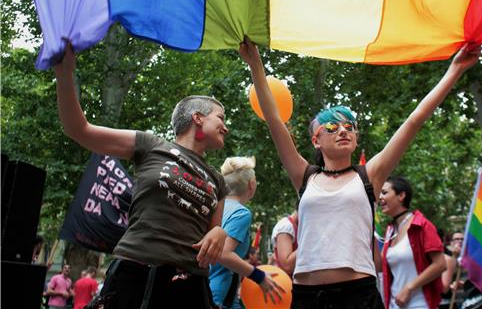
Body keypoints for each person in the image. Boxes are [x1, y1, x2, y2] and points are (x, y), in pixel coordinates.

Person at [240, 40, 480, 309]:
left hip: (358, 296)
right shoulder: (304, 175)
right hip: (307, 297)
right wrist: (255, 64)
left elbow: (415, 119)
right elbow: (274, 119)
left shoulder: (371, 175)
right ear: (316, 141)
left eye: (349, 126)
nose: (342, 130)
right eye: (331, 126)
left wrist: (455, 70)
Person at [54, 44, 229, 309]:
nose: (225, 127)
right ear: (197, 117)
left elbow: (213, 233)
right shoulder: (151, 145)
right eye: (221, 118)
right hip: (135, 275)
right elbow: (79, 129)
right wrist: (64, 72)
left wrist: (219, 232)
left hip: (189, 285)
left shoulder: (218, 180)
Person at [209, 156, 282, 308]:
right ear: (252, 184)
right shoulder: (241, 213)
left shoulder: (213, 206)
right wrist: (259, 276)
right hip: (218, 298)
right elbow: (222, 253)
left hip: (206, 290)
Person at [379, 177, 446, 309]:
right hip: (394, 305)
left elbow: (440, 264)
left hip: (420, 304)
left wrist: (409, 288)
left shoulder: (422, 225)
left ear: (401, 195)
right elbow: (379, 267)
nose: (380, 197)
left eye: (385, 193)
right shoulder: (390, 230)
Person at [440, 232, 464, 309]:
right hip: (450, 300)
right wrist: (454, 256)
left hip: (466, 298)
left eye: (462, 239)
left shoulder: (471, 256)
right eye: (457, 239)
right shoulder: (447, 255)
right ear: (451, 242)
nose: (460, 241)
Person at [272, 210, 299, 276]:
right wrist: (309, 242)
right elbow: (287, 266)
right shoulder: (286, 226)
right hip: (286, 282)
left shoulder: (297, 226)